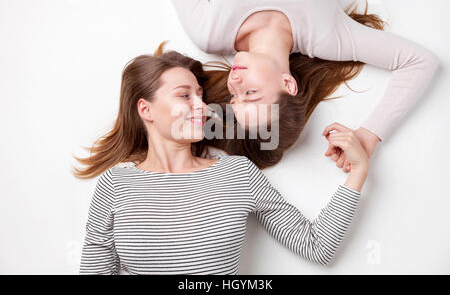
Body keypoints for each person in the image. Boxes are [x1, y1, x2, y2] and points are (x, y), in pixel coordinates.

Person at [74, 46, 369, 274]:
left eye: (201, 97)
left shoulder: (237, 174)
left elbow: (316, 247)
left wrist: (358, 171)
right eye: (185, 96)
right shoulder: (115, 185)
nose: (202, 107)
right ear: (146, 109)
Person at [160, 0, 440, 170]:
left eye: (234, 99)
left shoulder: (210, 33)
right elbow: (420, 62)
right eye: (252, 94)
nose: (235, 83)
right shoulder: (327, 36)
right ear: (288, 84)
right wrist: (369, 135)